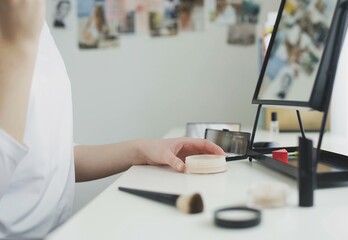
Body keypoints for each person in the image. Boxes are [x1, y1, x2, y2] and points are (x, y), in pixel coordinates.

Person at [0, 1, 225, 238]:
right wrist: (19, 45)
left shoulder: (33, 21)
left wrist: (143, 151)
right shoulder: (19, 25)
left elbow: (54, 158)